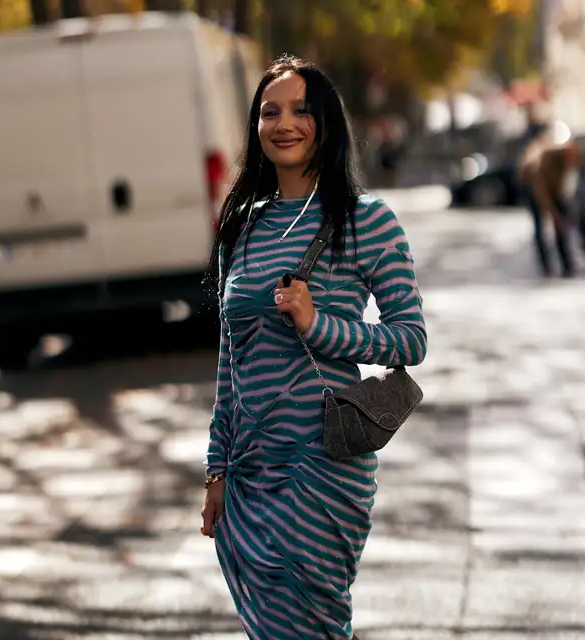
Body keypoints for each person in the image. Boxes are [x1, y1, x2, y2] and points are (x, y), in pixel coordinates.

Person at [200, 55, 428, 640]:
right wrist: (216, 470)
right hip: (251, 471)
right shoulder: (240, 227)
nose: (285, 123)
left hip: (321, 465)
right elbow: (231, 361)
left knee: (312, 626)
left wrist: (317, 324)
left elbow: (410, 338)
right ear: (255, 128)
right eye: (269, 112)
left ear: (325, 123)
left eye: (301, 110)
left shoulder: (365, 221)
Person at [518, 130, 584, 278]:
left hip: (552, 188)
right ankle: (546, 266)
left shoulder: (572, 156)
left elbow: (564, 186)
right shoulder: (545, 161)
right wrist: (554, 215)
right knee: (540, 227)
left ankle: (567, 265)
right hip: (534, 190)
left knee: (561, 228)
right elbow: (542, 194)